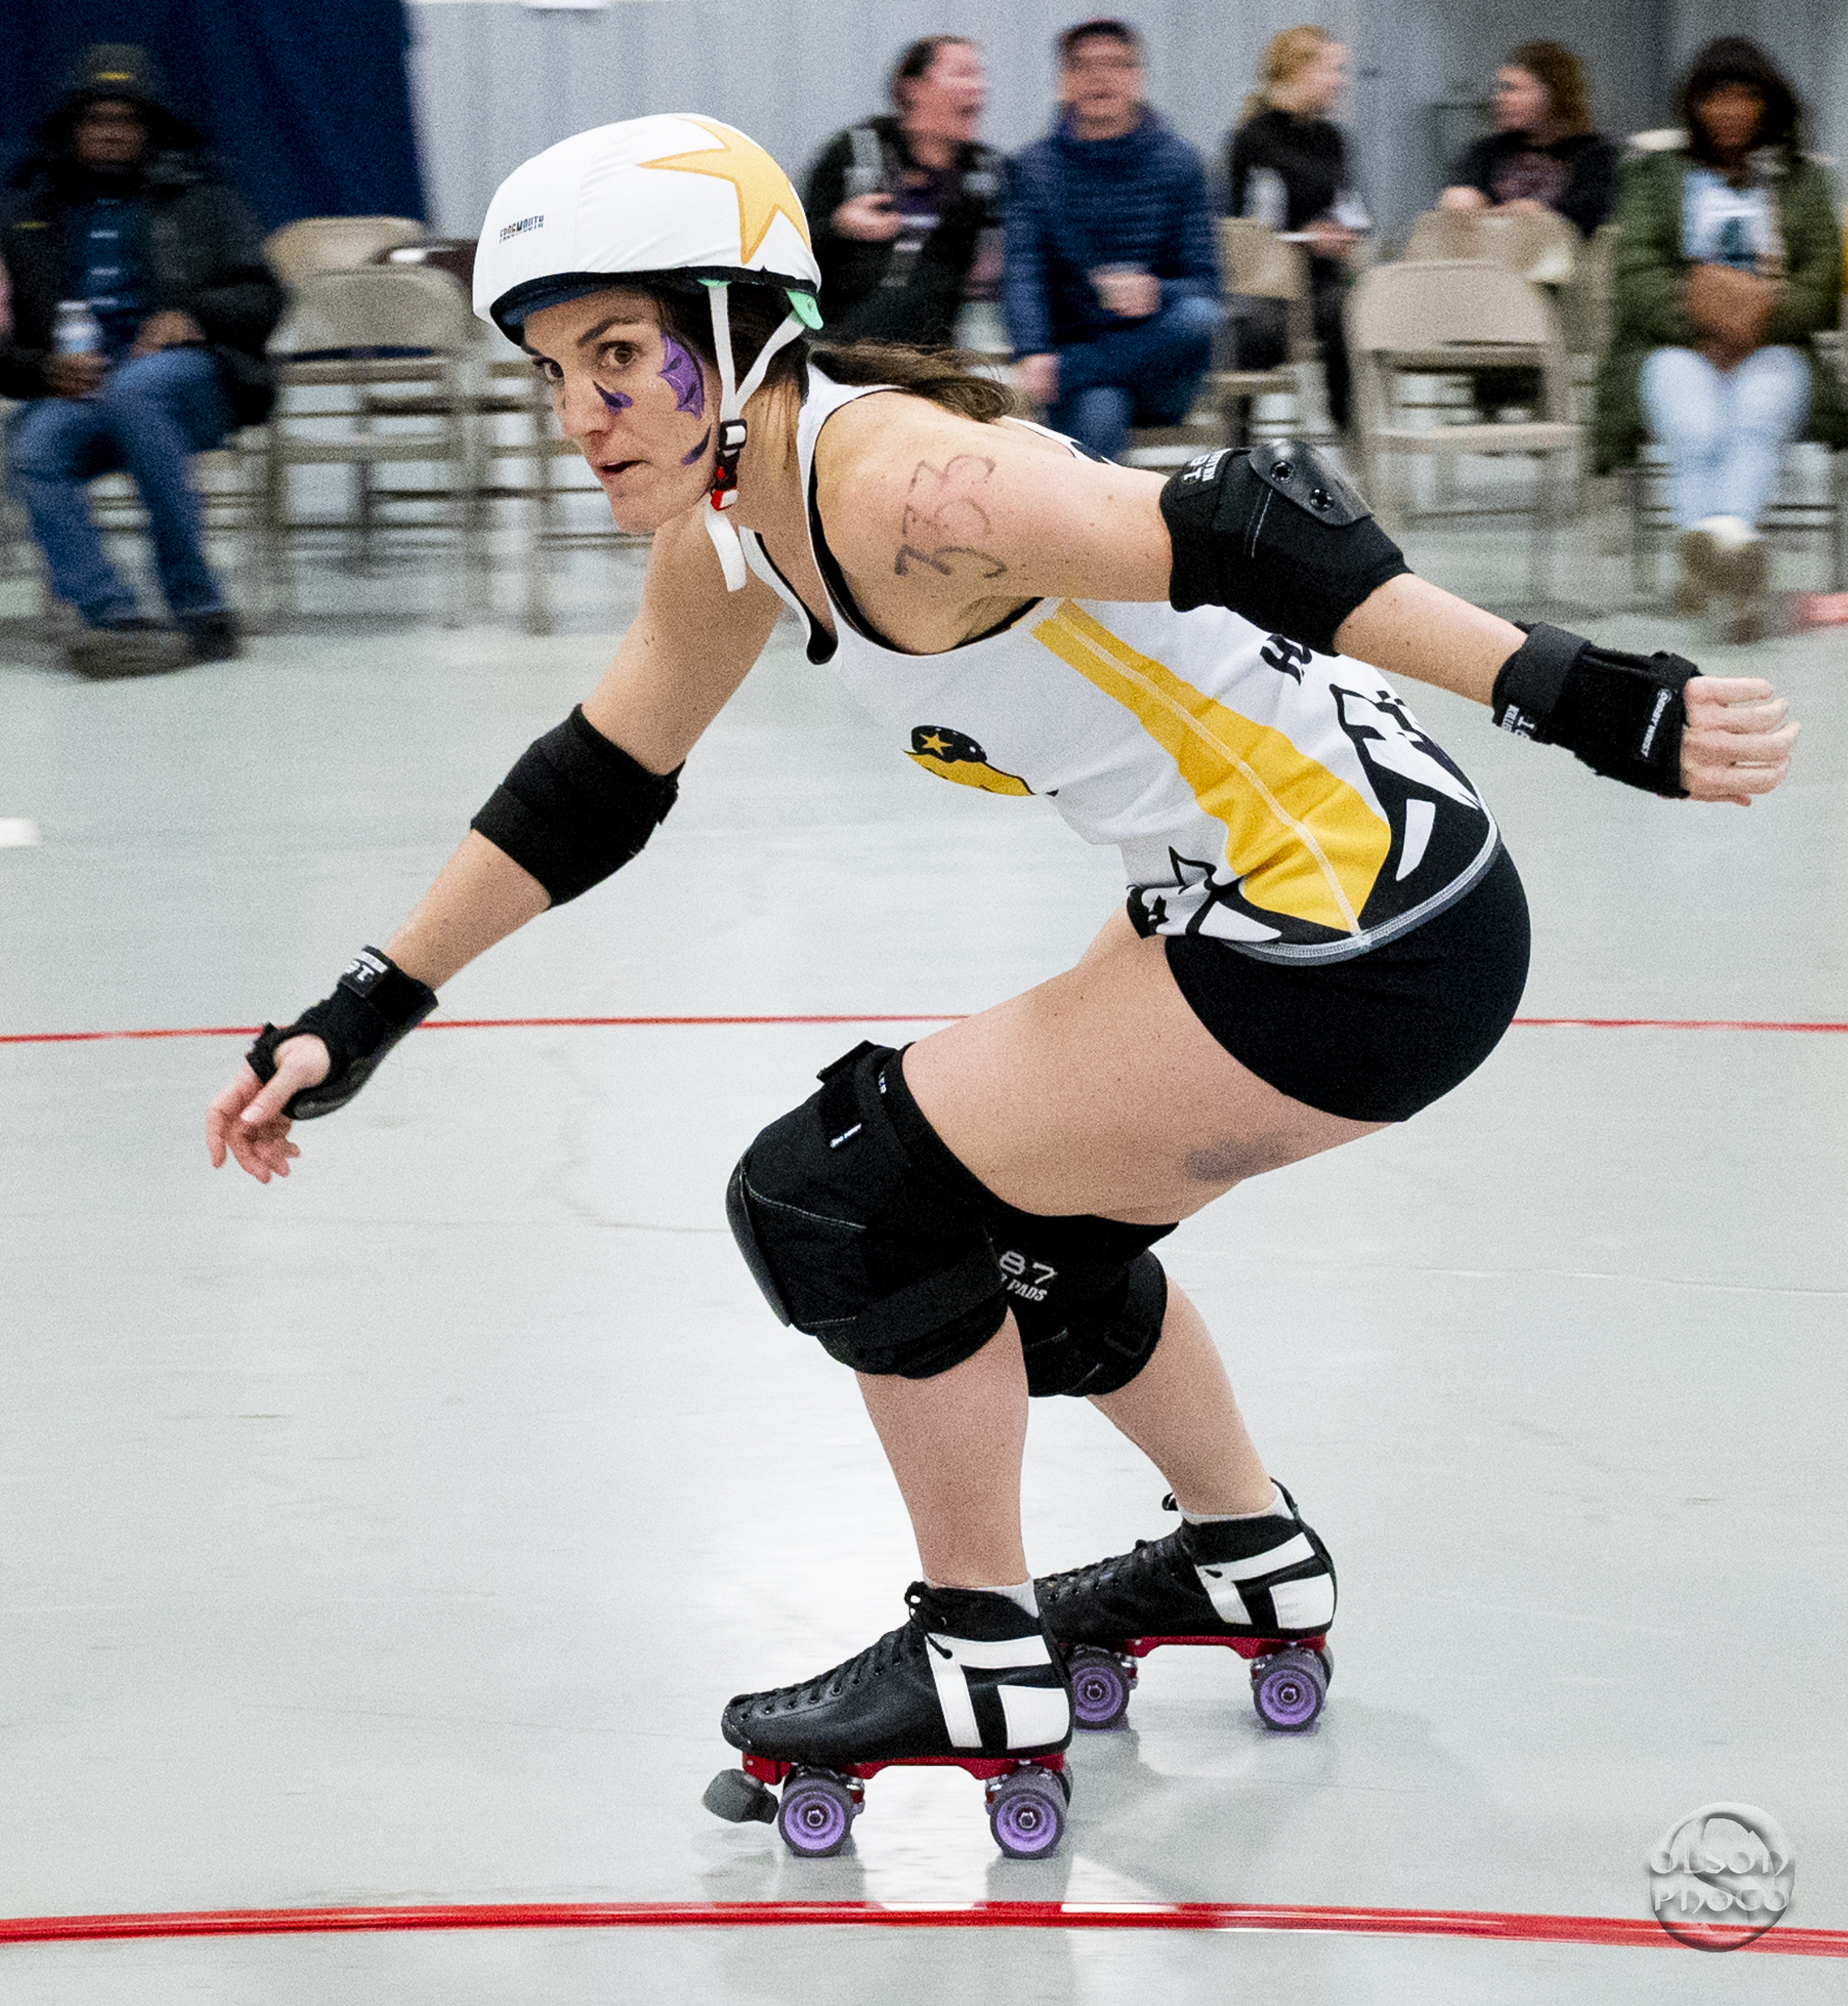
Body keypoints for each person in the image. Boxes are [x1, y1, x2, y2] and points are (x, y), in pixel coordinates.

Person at [205, 115, 1796, 1856]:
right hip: (1305, 905)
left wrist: (1578, 694)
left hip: (1347, 931)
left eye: (621, 353)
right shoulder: (735, 531)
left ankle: (975, 1653)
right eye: (553, 370)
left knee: (840, 1199)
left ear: (739, 330)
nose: (583, 410)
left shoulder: (894, 485)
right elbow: (593, 783)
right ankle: (1243, 1557)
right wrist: (366, 1007)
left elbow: (1257, 517)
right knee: (1029, 1242)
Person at [0, 44, 282, 676]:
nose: (110, 132)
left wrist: (194, 314)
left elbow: (264, 299)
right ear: (72, 129)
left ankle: (200, 606)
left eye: (126, 119)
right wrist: (43, 372)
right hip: (85, 389)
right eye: (96, 119)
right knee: (34, 444)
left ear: (151, 129)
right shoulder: (25, 221)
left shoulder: (205, 202)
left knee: (139, 390)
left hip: (193, 381)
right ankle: (114, 621)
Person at [1594, 38, 1845, 644]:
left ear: (1767, 104)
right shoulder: (1654, 176)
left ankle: (1713, 545)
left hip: (1775, 345)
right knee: (1698, 425)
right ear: (1695, 105)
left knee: (1756, 414)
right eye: (1716, 97)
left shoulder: (1803, 181)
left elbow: (1820, 280)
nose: (1729, 110)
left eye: (1744, 97)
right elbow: (1636, 272)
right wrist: (1703, 326)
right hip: (1673, 343)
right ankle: (1736, 561)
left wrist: (1754, 323)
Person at [1003, 18, 1220, 462]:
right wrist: (1032, 349)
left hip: (1160, 366)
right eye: (1083, 66)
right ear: (1064, 82)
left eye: (1116, 65)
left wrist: (1155, 292)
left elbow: (1206, 282)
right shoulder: (1034, 167)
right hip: (1082, 354)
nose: (1100, 78)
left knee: (1199, 316)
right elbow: (1023, 269)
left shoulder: (1180, 162)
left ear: (1138, 78)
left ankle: (1074, 372)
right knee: (1099, 412)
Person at [802, 37, 1002, 349]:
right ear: (914, 88)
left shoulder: (987, 172)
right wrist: (839, 226)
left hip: (936, 353)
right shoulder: (855, 154)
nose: (978, 87)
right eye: (962, 73)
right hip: (842, 345)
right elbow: (795, 252)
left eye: (979, 75)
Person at [1225, 25, 1368, 435]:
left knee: (1351, 310)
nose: (1340, 81)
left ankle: (1347, 432)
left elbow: (1349, 205)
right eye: (1332, 69)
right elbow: (1245, 229)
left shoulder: (1334, 139)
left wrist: (1344, 230)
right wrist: (1304, 239)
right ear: (1299, 70)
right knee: (1259, 328)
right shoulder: (1252, 139)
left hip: (1324, 283)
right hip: (1268, 286)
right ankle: (1237, 441)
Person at [1438, 42, 1619, 238]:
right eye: (1501, 89)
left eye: (1514, 89)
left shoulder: (1593, 154)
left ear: (1553, 95)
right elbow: (1464, 187)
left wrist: (1541, 215)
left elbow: (1590, 215)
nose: (1501, 98)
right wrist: (1461, 198)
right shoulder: (1487, 151)